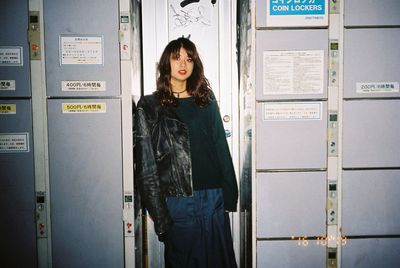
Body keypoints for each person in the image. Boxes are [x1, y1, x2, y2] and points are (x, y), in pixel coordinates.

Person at [134, 37, 238, 268]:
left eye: (189, 58)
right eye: (176, 57)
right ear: (166, 64)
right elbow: (146, 167)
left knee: (220, 262)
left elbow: (221, 146)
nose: (183, 63)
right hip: (177, 200)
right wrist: (160, 216)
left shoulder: (206, 100)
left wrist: (230, 193)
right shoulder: (150, 106)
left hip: (213, 195)